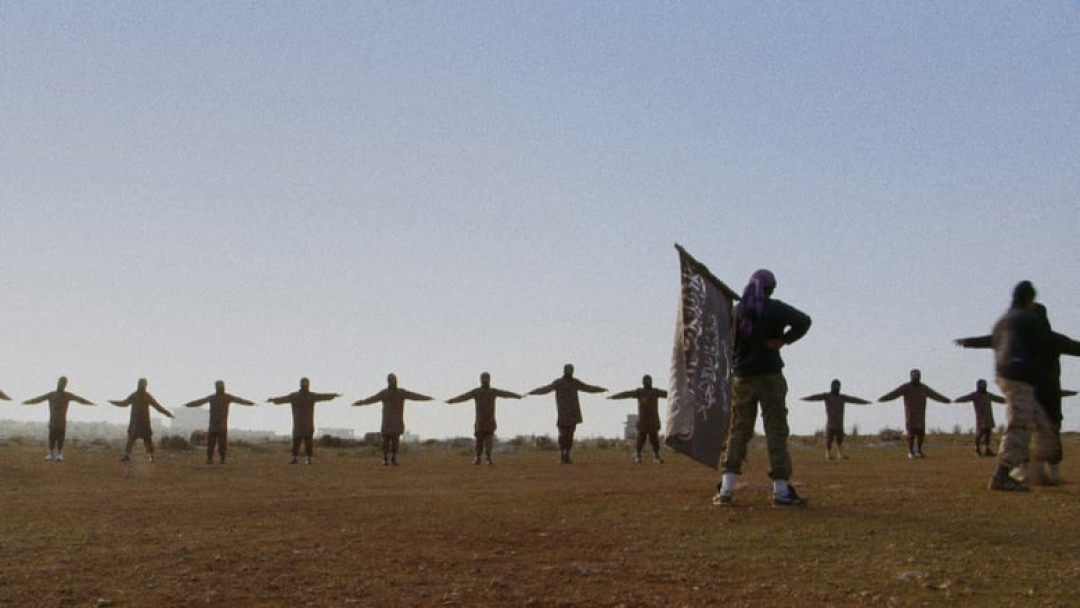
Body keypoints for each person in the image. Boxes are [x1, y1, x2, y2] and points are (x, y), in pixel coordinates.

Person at [714, 269, 812, 508]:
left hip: (742, 379)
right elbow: (804, 321)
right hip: (770, 376)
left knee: (737, 432)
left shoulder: (737, 311)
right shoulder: (775, 309)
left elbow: (725, 338)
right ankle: (781, 491)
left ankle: (726, 489)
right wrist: (784, 340)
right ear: (770, 289)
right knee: (776, 431)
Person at [955, 302, 1080, 484]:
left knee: (1023, 430)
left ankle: (1026, 469)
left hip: (1028, 393)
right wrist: (969, 342)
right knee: (1050, 430)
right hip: (1049, 394)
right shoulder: (1053, 339)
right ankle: (1051, 471)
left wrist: (969, 342)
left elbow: (993, 340)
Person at [986, 281, 1057, 492]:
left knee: (1043, 426)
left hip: (1006, 376)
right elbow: (1047, 343)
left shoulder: (1002, 322)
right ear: (1030, 300)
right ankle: (1001, 475)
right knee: (1019, 425)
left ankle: (1037, 472)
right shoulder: (1026, 319)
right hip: (1019, 379)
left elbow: (993, 343)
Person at [528, 364, 607, 464]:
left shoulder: (575, 383)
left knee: (569, 436)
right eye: (568, 370)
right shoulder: (559, 383)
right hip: (563, 414)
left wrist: (601, 389)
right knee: (562, 436)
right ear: (564, 371)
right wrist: (533, 392)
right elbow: (546, 389)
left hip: (573, 414)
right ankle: (562, 455)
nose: (570, 372)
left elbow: (588, 388)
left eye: (571, 370)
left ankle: (567, 455)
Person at [353, 374, 433, 466]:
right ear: (388, 381)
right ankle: (385, 458)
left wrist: (426, 398)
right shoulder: (384, 393)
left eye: (395, 379)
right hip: (387, 421)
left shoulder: (401, 392)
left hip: (397, 421)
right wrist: (361, 402)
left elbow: (414, 396)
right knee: (385, 441)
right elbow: (372, 399)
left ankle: (393, 458)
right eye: (392, 380)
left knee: (395, 441)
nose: (394, 381)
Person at [446, 372, 522, 465]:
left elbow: (505, 394)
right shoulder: (476, 392)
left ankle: (488, 458)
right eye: (483, 378)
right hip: (480, 421)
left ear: (489, 379)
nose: (484, 380)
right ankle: (478, 458)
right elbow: (464, 396)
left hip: (490, 420)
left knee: (489, 440)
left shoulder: (493, 391)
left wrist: (517, 396)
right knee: (479, 441)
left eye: (486, 378)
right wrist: (453, 401)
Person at [878, 369, 951, 459]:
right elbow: (894, 394)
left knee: (921, 433)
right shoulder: (906, 387)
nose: (916, 377)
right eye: (914, 376)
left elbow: (935, 395)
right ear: (911, 376)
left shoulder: (923, 388)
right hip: (910, 415)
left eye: (917, 375)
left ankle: (919, 451)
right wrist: (883, 399)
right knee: (911, 433)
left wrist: (946, 400)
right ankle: (910, 451)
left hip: (920, 414)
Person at [268, 378, 340, 464]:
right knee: (301, 441)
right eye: (304, 383)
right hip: (303, 423)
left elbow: (323, 396)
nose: (305, 385)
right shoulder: (304, 396)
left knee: (303, 441)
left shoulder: (300, 396)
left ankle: (302, 458)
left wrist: (273, 400)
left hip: (302, 423)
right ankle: (301, 459)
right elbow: (323, 396)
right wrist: (333, 396)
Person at [23, 376, 95, 462]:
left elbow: (79, 399)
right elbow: (39, 399)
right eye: (60, 383)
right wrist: (28, 402)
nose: (61, 385)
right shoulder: (52, 394)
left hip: (62, 420)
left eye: (63, 383)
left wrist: (90, 403)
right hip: (53, 419)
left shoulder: (67, 395)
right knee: (52, 437)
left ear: (65, 385)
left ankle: (59, 454)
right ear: (58, 383)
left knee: (61, 437)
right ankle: (51, 454)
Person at [183, 380, 257, 464]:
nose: (221, 388)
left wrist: (189, 405)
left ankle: (215, 459)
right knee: (216, 444)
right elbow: (240, 400)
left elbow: (200, 402)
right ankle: (217, 459)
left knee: (217, 444)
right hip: (219, 425)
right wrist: (251, 403)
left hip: (216, 425)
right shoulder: (224, 397)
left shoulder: (215, 398)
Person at [800, 379, 870, 460]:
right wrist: (805, 398)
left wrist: (865, 402)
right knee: (829, 440)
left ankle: (840, 454)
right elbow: (815, 397)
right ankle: (828, 454)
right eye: (835, 387)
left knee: (839, 440)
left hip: (839, 423)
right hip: (831, 423)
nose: (836, 388)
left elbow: (854, 400)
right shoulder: (827, 396)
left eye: (837, 387)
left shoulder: (841, 397)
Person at [110, 378, 174, 463]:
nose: (142, 386)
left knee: (147, 440)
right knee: (132, 439)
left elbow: (158, 407)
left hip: (143, 422)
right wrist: (114, 402)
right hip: (136, 421)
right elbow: (124, 403)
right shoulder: (135, 396)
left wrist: (167, 413)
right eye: (141, 384)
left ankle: (151, 456)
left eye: (143, 384)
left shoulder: (145, 396)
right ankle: (127, 456)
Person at [608, 375, 668, 464]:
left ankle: (656, 456)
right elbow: (627, 394)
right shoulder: (639, 392)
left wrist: (683, 395)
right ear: (643, 382)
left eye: (649, 380)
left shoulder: (655, 392)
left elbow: (669, 394)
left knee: (655, 440)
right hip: (643, 421)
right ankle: (638, 456)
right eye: (646, 380)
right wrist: (614, 397)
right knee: (640, 440)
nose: (648, 382)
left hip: (653, 420)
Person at [952, 379, 1005, 457]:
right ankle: (977, 449)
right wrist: (956, 400)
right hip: (981, 417)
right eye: (983, 385)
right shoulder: (975, 395)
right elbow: (966, 398)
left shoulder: (988, 395)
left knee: (988, 432)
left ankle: (987, 449)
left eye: (985, 385)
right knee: (980, 433)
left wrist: (1008, 401)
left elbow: (998, 399)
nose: (984, 386)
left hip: (989, 415)